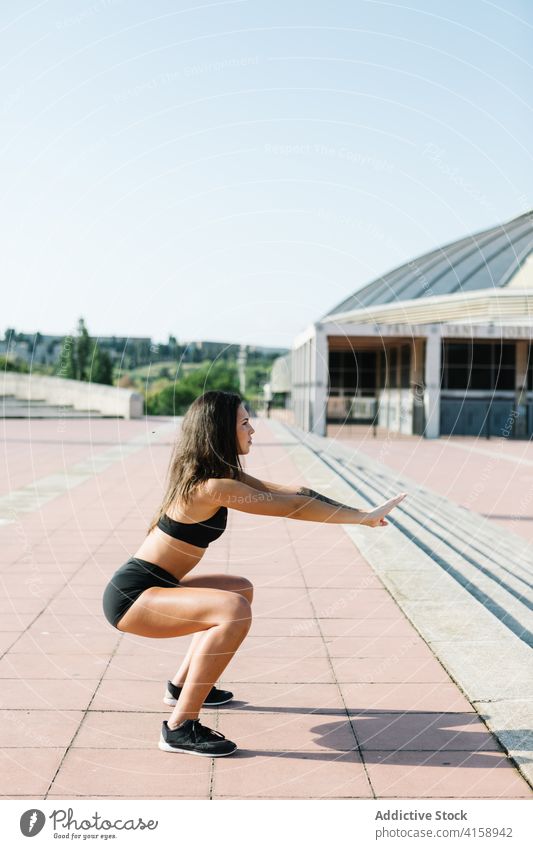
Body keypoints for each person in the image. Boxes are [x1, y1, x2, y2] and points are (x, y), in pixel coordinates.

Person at [102, 390, 406, 757]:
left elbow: (295, 492)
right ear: (219, 431)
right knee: (232, 610)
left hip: (155, 586)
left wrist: (364, 513)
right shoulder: (213, 487)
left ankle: (183, 687)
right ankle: (180, 727)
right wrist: (361, 518)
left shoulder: (220, 476)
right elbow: (292, 508)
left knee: (239, 590)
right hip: (133, 598)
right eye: (244, 422)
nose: (253, 429)